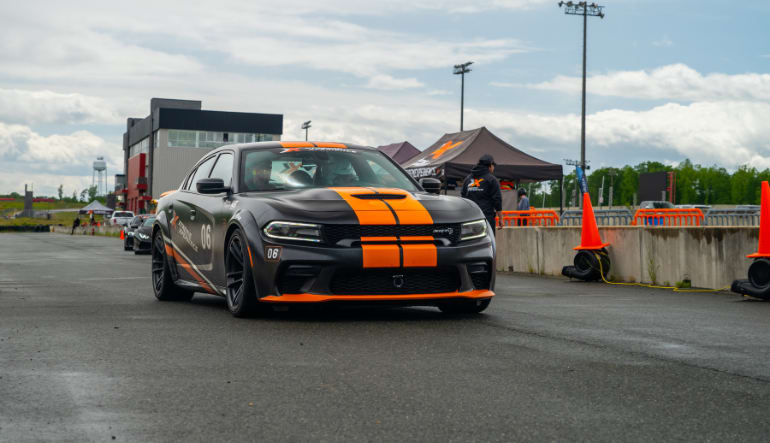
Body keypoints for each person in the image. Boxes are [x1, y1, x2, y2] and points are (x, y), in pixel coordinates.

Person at [461, 154, 502, 229]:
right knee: (487, 240)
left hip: (469, 218)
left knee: (471, 240)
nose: (494, 168)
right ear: (490, 166)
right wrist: (501, 218)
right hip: (486, 218)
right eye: (493, 166)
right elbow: (497, 200)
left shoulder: (467, 179)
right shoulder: (491, 179)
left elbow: (463, 198)